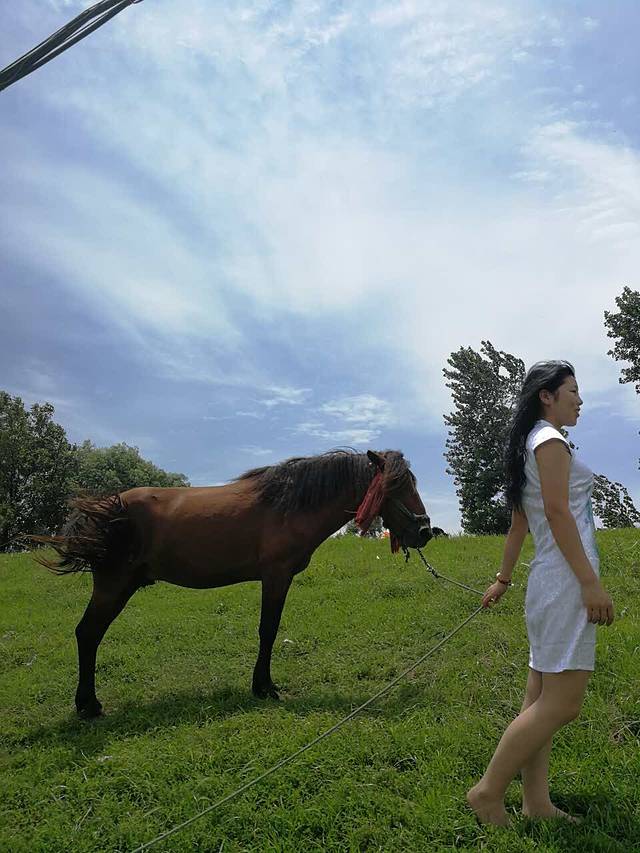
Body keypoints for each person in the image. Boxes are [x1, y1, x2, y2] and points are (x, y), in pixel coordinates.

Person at [466, 360, 614, 826]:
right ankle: (488, 792)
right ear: (546, 396)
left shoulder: (532, 442)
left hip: (547, 582)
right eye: (573, 390)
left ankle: (536, 804)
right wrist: (590, 582)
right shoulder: (549, 441)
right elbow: (555, 512)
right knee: (563, 704)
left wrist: (503, 579)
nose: (580, 399)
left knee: (539, 701)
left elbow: (518, 524)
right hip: (566, 582)